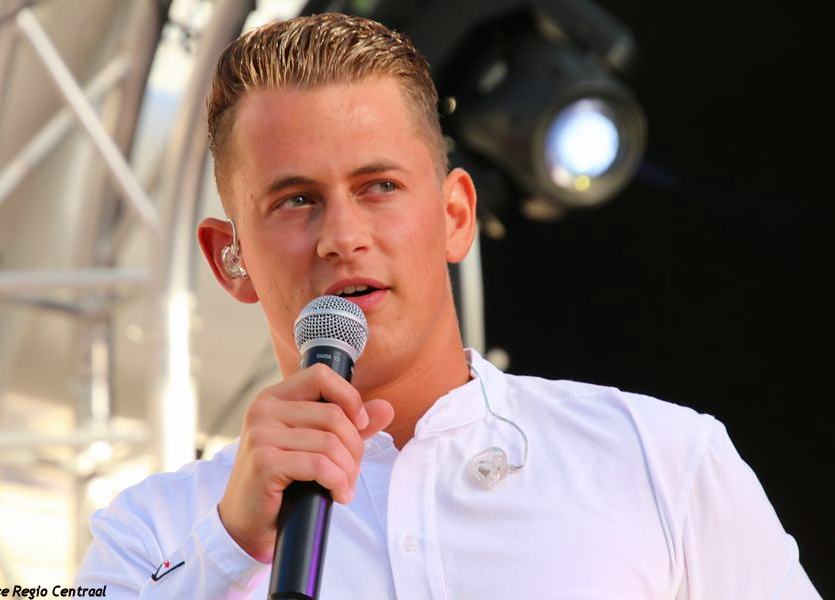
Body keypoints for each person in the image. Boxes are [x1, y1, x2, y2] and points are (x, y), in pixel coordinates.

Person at [75, 13, 820, 599]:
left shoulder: (659, 459)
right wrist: (232, 545)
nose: (343, 236)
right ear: (228, 260)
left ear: (456, 215)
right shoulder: (148, 536)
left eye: (379, 187)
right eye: (296, 200)